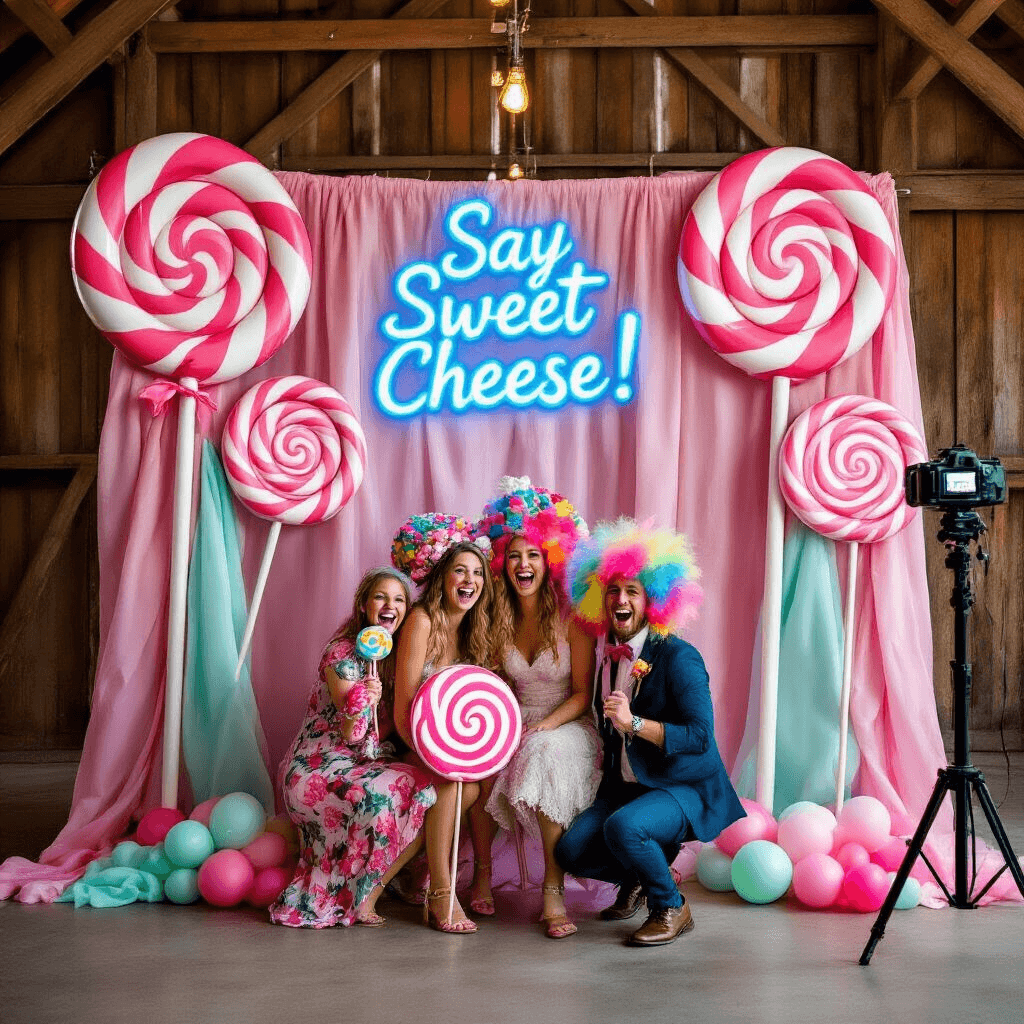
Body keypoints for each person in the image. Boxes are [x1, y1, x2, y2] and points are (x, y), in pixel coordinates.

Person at [555, 519, 745, 947]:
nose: (620, 600)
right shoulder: (606, 656)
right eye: (613, 590)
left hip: (682, 784)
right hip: (628, 786)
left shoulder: (679, 657)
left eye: (632, 591)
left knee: (625, 829)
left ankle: (670, 905)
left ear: (653, 600)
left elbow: (699, 736)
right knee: (571, 851)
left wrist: (635, 724)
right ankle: (644, 876)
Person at [469, 477, 600, 939]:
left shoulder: (574, 618)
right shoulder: (494, 617)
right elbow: (491, 684)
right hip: (513, 719)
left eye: (534, 555)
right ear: (502, 563)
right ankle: (481, 873)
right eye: (515, 556)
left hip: (569, 723)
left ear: (550, 561)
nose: (524, 564)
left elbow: (583, 693)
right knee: (479, 762)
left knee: (544, 753)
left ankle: (552, 887)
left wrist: (544, 724)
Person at [270, 566, 436, 928]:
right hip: (318, 766)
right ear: (364, 605)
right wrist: (363, 697)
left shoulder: (391, 658)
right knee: (389, 795)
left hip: (363, 762)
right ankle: (357, 895)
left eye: (398, 600)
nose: (389, 605)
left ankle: (381, 884)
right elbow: (351, 733)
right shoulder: (342, 653)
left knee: (428, 791)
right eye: (381, 596)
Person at [392, 515, 503, 934]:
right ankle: (442, 892)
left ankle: (445, 881)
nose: (469, 580)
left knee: (476, 783)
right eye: (460, 570)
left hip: (451, 749)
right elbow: (403, 710)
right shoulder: (421, 621)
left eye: (477, 573)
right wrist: (436, 758)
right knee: (452, 784)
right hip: (410, 741)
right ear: (442, 577)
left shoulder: (476, 630)